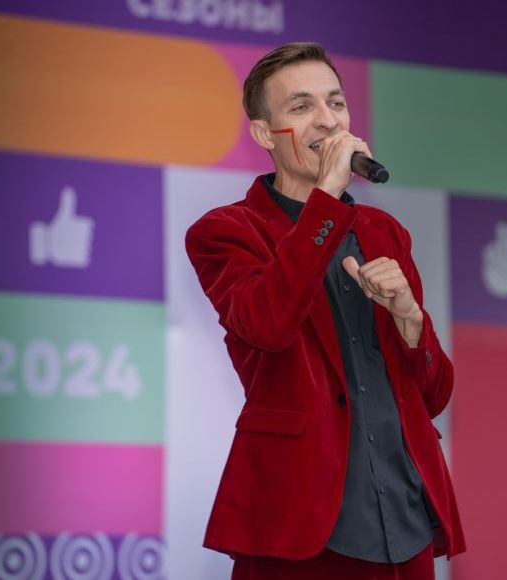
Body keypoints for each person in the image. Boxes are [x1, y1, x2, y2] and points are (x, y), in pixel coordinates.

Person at [185, 42, 466, 579]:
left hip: (402, 517)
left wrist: (410, 319)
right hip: (300, 521)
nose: (327, 119)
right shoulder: (225, 232)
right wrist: (328, 197)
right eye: (302, 106)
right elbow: (267, 324)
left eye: (336, 103)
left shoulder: (385, 233)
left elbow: (433, 395)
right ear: (264, 134)